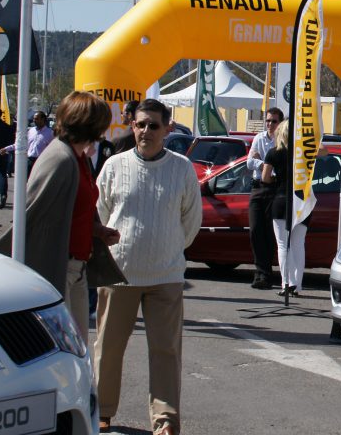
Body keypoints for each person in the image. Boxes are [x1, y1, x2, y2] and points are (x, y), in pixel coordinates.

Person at [94, 99, 202, 435]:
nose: (145, 131)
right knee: (108, 349)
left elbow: (191, 222)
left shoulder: (182, 169)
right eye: (140, 124)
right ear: (132, 125)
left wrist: (166, 247)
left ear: (167, 129)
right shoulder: (114, 166)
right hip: (119, 274)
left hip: (166, 276)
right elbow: (100, 213)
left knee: (166, 351)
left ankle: (165, 421)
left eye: (153, 125)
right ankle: (102, 411)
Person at [24, 91, 121, 336]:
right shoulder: (60, 159)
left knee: (77, 349)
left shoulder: (78, 158)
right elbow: (32, 218)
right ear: (92, 124)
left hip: (77, 268)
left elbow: (74, 210)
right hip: (58, 269)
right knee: (64, 350)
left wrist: (97, 230)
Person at [262, 122, 303, 297]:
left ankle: (286, 283)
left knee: (282, 245)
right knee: (298, 244)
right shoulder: (303, 154)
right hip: (301, 201)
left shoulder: (273, 153)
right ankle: (297, 285)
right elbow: (323, 150)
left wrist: (276, 180)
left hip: (280, 199)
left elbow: (265, 177)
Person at [246, 106, 284, 289]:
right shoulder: (259, 138)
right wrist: (264, 163)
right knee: (255, 230)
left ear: (280, 123)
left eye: (273, 121)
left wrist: (262, 163)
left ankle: (265, 274)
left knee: (270, 232)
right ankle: (259, 271)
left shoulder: (282, 142)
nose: (269, 124)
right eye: (267, 120)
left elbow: (279, 168)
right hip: (258, 188)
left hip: (274, 188)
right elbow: (249, 162)